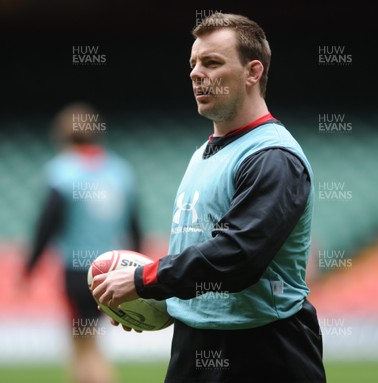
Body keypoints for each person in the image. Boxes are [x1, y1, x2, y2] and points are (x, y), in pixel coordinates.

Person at [92, 12, 326, 383]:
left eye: (212, 62)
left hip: (263, 351)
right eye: (193, 63)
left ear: (253, 72)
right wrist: (160, 303)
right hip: (194, 346)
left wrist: (145, 280)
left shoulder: (273, 157)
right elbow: (200, 249)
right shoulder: (204, 152)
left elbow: (236, 257)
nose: (196, 73)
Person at [25, 102, 141, 383]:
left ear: (63, 137)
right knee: (84, 342)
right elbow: (135, 226)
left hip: (77, 270)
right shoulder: (119, 171)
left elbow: (47, 225)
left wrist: (29, 267)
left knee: (85, 345)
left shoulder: (61, 171)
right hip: (111, 269)